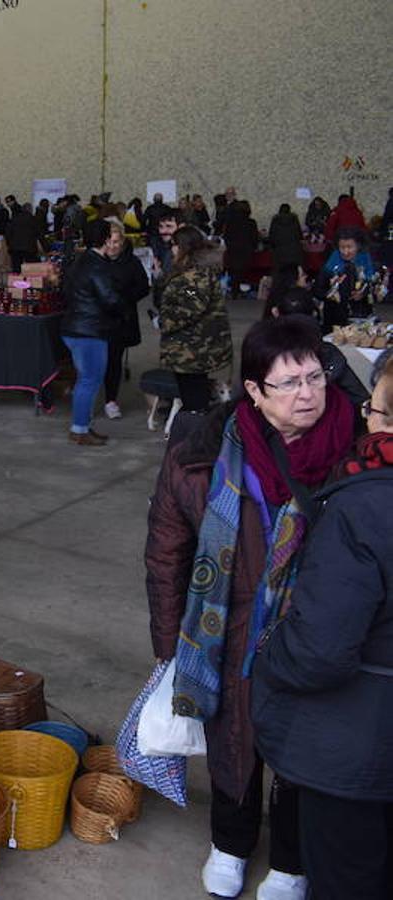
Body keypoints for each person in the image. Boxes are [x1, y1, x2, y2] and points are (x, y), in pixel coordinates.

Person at [146, 315, 357, 900]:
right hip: (228, 627)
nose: (308, 394)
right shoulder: (203, 454)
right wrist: (170, 649)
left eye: (315, 377)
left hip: (317, 632)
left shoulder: (357, 448)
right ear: (255, 392)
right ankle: (231, 843)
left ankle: (291, 861)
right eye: (288, 384)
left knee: (303, 747)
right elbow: (167, 555)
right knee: (232, 739)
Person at [251, 349, 392, 900]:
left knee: (348, 874)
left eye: (374, 410)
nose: (307, 393)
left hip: (359, 745)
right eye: (290, 381)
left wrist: (269, 654)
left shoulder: (362, 505)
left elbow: (320, 651)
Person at [58, 219, 124, 446]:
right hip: (89, 331)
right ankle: (79, 429)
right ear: (106, 239)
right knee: (89, 380)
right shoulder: (98, 266)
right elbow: (110, 299)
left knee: (85, 380)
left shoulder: (79, 261)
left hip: (75, 327)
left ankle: (83, 426)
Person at [159, 225, 233, 415]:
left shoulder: (194, 277)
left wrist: (164, 322)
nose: (172, 249)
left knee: (194, 396)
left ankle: (196, 430)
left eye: (174, 245)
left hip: (194, 347)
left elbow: (193, 303)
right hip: (196, 345)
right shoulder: (195, 271)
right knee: (193, 390)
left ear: (183, 247)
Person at [102, 222, 151, 420]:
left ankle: (110, 400)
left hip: (120, 321)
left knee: (114, 361)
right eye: (108, 241)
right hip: (96, 320)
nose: (112, 246)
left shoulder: (132, 263)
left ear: (122, 242)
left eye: (116, 242)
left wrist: (124, 299)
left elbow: (143, 287)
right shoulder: (96, 260)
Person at [316, 229, 378, 330]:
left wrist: (363, 293)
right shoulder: (331, 263)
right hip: (335, 317)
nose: (345, 252)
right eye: (342, 247)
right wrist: (332, 294)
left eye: (349, 247)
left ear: (358, 246)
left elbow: (374, 286)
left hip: (360, 315)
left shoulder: (365, 260)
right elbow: (318, 290)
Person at [223, 200, 259, 298]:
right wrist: (253, 247)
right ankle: (240, 291)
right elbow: (254, 237)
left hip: (233, 250)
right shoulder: (251, 222)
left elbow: (226, 236)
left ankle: (235, 291)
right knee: (242, 271)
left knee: (234, 271)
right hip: (246, 250)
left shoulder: (230, 222)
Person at [267, 204, 304, 272]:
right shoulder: (294, 219)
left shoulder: (275, 220)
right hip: (293, 252)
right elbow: (299, 235)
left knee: (280, 274)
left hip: (279, 253)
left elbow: (271, 237)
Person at [6, 203, 42, 272]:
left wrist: (9, 245)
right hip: (29, 248)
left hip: (15, 248)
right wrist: (47, 249)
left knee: (16, 269)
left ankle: (16, 282)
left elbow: (8, 233)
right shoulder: (33, 219)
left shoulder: (14, 218)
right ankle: (30, 282)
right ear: (30, 210)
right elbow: (40, 234)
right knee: (31, 269)